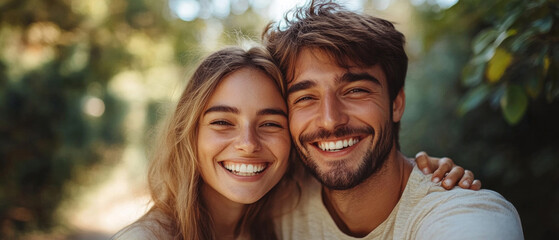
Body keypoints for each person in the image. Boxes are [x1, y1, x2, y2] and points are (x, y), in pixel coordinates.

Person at [111, 46, 479, 239]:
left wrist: (420, 170)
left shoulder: (286, 203)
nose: (247, 144)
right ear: (189, 133)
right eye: (223, 122)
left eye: (270, 123)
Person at [262, 0, 524, 239]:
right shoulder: (275, 202)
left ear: (396, 104)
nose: (331, 120)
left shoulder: (469, 214)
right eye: (305, 98)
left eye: (355, 91)